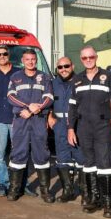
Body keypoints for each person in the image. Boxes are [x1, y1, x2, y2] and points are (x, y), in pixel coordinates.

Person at [67, 45, 111, 218]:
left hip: (103, 127)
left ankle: (108, 205)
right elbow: (72, 107)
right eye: (84, 58)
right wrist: (71, 128)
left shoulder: (108, 77)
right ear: (81, 59)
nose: (88, 60)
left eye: (91, 57)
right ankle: (94, 199)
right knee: (89, 164)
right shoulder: (77, 79)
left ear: (96, 57)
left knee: (105, 165)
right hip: (83, 128)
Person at [6, 49, 55, 202]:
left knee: (42, 153)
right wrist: (28, 107)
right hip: (21, 119)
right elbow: (10, 96)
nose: (30, 62)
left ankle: (45, 191)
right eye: (27, 59)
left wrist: (37, 108)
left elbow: (49, 97)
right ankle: (15, 189)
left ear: (36, 60)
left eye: (33, 59)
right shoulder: (15, 77)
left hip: (39, 120)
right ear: (22, 60)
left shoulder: (45, 77)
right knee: (18, 153)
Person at [48, 56, 85, 203]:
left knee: (81, 157)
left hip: (77, 124)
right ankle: (68, 191)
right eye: (60, 67)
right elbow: (48, 100)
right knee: (63, 158)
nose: (63, 69)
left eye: (66, 66)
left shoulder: (80, 81)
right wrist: (49, 116)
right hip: (60, 124)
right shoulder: (53, 83)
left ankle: (85, 192)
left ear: (73, 66)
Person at [0, 45, 20, 197]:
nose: (2, 56)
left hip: (16, 119)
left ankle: (17, 184)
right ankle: (3, 183)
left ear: (9, 55)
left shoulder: (19, 73)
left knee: (18, 154)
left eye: (4, 53)